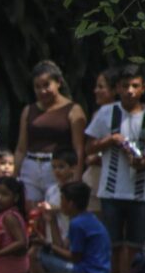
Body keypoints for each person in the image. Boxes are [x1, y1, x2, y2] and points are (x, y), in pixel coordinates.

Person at [84, 63, 145, 273]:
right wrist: (110, 140)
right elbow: (89, 147)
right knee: (112, 243)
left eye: (135, 86)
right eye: (125, 86)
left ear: (143, 88)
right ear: (118, 89)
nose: (130, 91)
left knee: (134, 244)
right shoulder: (106, 113)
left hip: (140, 191)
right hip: (111, 190)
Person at [13, 60, 88, 211]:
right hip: (31, 165)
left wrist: (76, 178)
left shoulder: (73, 110)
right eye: (37, 87)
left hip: (57, 167)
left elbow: (79, 148)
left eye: (47, 85)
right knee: (32, 212)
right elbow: (21, 148)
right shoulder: (28, 110)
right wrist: (15, 175)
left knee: (56, 209)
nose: (42, 91)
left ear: (58, 83)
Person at [36, 181, 112, 273]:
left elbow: (74, 258)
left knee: (37, 255)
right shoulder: (87, 218)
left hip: (88, 271)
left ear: (70, 204)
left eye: (62, 199)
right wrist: (52, 221)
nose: (60, 203)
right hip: (98, 270)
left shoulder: (77, 224)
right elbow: (62, 247)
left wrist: (47, 244)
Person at [83, 67, 120, 217]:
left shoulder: (124, 114)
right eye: (96, 86)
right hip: (94, 178)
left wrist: (98, 157)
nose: (96, 91)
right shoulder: (97, 114)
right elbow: (90, 146)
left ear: (115, 90)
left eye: (101, 87)